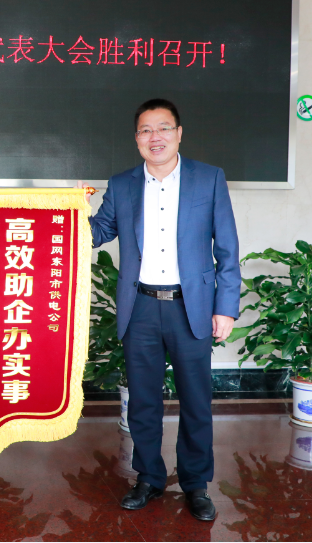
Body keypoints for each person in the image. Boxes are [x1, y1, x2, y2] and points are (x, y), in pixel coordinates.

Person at [78, 99, 240, 520]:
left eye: (163, 128)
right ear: (136, 139)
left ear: (179, 133)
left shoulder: (209, 178)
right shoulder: (123, 184)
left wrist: (226, 307)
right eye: (146, 130)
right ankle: (148, 478)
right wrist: (73, 211)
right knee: (143, 402)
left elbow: (227, 247)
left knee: (196, 401)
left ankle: (195, 484)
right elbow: (98, 232)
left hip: (192, 307)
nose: (155, 137)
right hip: (142, 308)